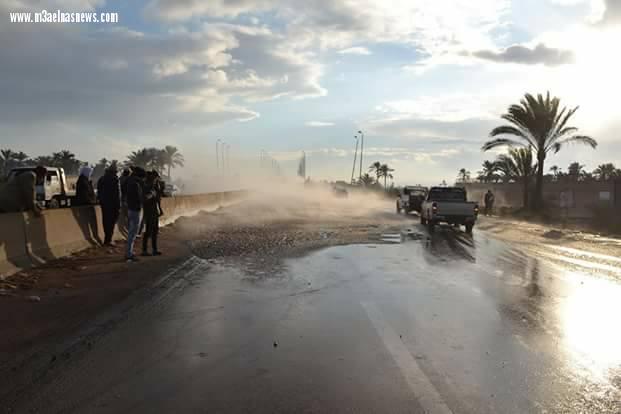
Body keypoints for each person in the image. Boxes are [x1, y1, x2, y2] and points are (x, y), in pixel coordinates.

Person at [141, 171, 164, 256]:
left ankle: (154, 249)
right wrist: (152, 194)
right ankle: (144, 250)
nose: (156, 179)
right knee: (148, 232)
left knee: (155, 231)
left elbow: (158, 200)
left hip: (154, 211)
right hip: (149, 211)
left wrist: (160, 210)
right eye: (155, 178)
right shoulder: (147, 186)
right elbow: (145, 198)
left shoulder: (155, 186)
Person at [125, 167, 145, 262]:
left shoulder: (130, 182)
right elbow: (139, 198)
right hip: (135, 210)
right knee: (132, 234)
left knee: (131, 233)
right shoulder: (136, 184)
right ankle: (129, 254)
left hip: (130, 209)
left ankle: (129, 253)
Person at [97, 165, 121, 246]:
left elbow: (99, 192)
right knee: (112, 222)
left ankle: (106, 239)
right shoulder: (115, 179)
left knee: (106, 221)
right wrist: (118, 206)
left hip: (104, 204)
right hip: (113, 204)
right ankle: (109, 239)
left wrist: (101, 200)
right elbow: (117, 194)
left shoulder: (101, 179)